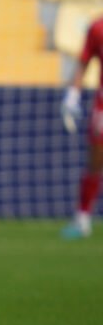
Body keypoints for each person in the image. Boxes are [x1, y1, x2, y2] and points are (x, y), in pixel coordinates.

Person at [60, 15, 103, 239]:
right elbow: (84, 61)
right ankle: (82, 219)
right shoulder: (98, 28)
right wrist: (73, 95)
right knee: (95, 161)